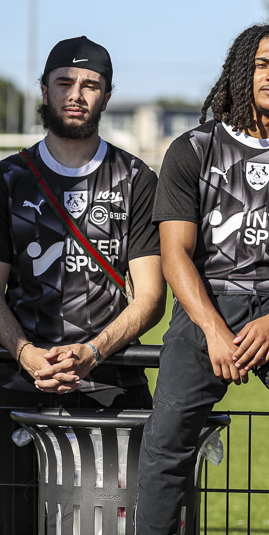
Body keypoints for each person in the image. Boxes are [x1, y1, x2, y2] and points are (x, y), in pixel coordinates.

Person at [135, 24, 269, 535]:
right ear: (240, 70)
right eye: (263, 63)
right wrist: (212, 331)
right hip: (206, 302)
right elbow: (175, 254)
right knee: (166, 437)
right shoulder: (192, 150)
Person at [0, 36, 165, 535]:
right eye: (65, 83)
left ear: (107, 96)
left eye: (90, 85)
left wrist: (94, 350)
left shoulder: (136, 179)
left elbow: (152, 296)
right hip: (19, 390)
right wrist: (27, 354)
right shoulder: (9, 179)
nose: (76, 93)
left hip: (113, 391)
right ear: (44, 90)